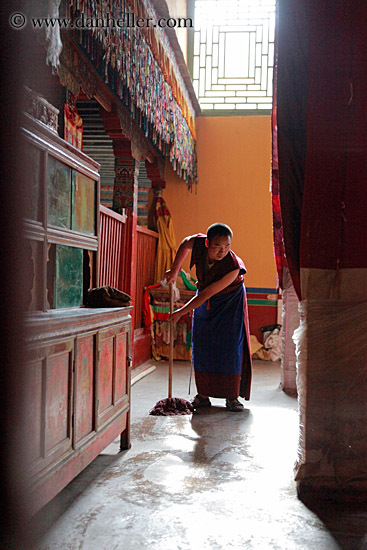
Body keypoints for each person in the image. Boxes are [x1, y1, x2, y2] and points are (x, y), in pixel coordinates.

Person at [165, 223, 252, 412]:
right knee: (203, 341)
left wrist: (180, 312)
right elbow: (184, 244)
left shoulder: (233, 267)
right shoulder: (198, 243)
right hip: (205, 297)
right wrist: (174, 270)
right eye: (217, 246)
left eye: (227, 246)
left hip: (230, 303)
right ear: (207, 243)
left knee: (229, 346)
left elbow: (204, 296)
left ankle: (232, 397)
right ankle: (203, 395)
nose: (222, 252)